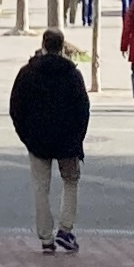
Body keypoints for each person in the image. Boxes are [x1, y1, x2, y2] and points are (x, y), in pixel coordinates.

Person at [10, 28, 89, 254]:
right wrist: (77, 138)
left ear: (43, 45)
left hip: (37, 139)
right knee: (71, 181)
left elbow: (16, 107)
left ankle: (46, 237)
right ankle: (66, 228)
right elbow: (83, 109)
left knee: (40, 188)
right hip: (67, 140)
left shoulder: (27, 73)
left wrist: (26, 136)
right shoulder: (72, 74)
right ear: (62, 46)